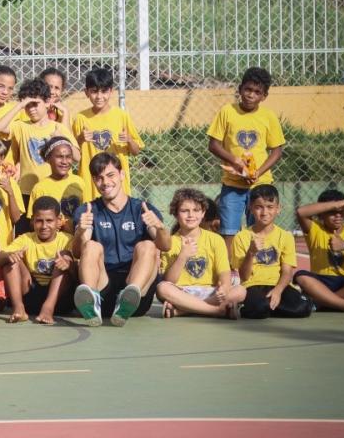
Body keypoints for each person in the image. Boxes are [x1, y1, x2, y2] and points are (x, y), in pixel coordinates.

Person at [71, 152, 169, 326]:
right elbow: (78, 252)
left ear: (122, 175)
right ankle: (91, 302)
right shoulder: (88, 211)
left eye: (110, 175)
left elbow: (166, 245)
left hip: (136, 291)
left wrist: (160, 228)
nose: (106, 182)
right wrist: (80, 232)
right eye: (99, 178)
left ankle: (128, 300)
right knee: (92, 246)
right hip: (103, 289)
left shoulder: (142, 209)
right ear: (94, 181)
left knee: (147, 245)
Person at [207, 66, 286, 256]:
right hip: (233, 184)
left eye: (257, 92)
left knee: (259, 227)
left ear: (264, 96)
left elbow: (277, 151)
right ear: (240, 89)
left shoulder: (268, 117)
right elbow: (213, 145)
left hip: (260, 183)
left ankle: (258, 268)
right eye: (248, 90)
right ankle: (229, 272)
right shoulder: (227, 111)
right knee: (229, 230)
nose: (251, 95)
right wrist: (235, 161)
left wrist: (258, 172)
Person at [154, 188, 246, 320]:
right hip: (182, 292)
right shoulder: (171, 242)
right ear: (175, 214)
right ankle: (216, 311)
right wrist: (183, 256)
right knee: (162, 289)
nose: (191, 215)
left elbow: (224, 272)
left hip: (210, 292)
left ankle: (183, 310)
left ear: (203, 213)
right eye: (185, 211)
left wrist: (224, 287)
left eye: (196, 210)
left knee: (240, 291)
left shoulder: (215, 239)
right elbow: (169, 281)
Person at [233, 184, 309, 320]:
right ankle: (254, 306)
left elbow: (287, 272)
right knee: (259, 309)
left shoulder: (285, 236)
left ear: (278, 209)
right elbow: (244, 276)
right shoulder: (241, 237)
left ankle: (268, 306)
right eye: (258, 207)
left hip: (277, 284)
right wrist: (251, 252)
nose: (264, 212)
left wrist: (278, 291)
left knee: (301, 308)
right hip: (253, 285)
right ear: (250, 208)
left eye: (270, 207)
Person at [0, 196, 75, 324]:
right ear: (32, 220)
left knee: (65, 256)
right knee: (11, 259)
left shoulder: (67, 240)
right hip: (30, 296)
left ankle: (48, 308)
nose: (44, 226)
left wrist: (68, 265)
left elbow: (78, 274)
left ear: (58, 220)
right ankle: (18, 309)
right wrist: (8, 256)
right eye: (39, 221)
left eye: (49, 221)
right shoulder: (25, 239)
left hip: (60, 300)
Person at [293, 190, 344, 313]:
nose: (338, 215)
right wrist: (335, 204)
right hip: (322, 281)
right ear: (321, 214)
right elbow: (301, 212)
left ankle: (321, 302)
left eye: (341, 211)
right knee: (302, 277)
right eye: (332, 212)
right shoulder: (315, 229)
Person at [73, 66, 143, 195]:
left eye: (104, 91)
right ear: (86, 92)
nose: (99, 96)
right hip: (91, 185)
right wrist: (80, 139)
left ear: (111, 91)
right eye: (94, 91)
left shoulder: (121, 116)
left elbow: (136, 151)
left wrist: (129, 140)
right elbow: (73, 154)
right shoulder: (80, 118)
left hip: (116, 185)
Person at [0, 77, 66, 198]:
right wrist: (20, 105)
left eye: (35, 104)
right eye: (28, 106)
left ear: (47, 102)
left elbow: (75, 156)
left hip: (52, 188)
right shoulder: (21, 126)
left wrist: (61, 139)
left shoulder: (57, 128)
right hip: (27, 190)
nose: (31, 109)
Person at [28, 136, 83, 229]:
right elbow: (32, 222)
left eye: (68, 157)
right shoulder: (40, 188)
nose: (65, 161)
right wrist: (51, 224)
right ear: (48, 159)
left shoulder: (79, 182)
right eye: (59, 157)